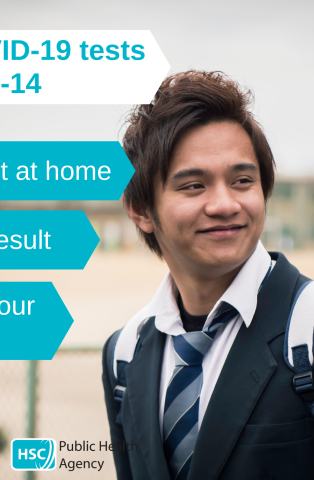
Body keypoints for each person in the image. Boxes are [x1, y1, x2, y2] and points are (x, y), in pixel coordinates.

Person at [102, 70, 314, 480]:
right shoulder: (124, 355)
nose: (225, 204)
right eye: (194, 186)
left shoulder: (306, 330)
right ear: (141, 210)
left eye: (242, 181)